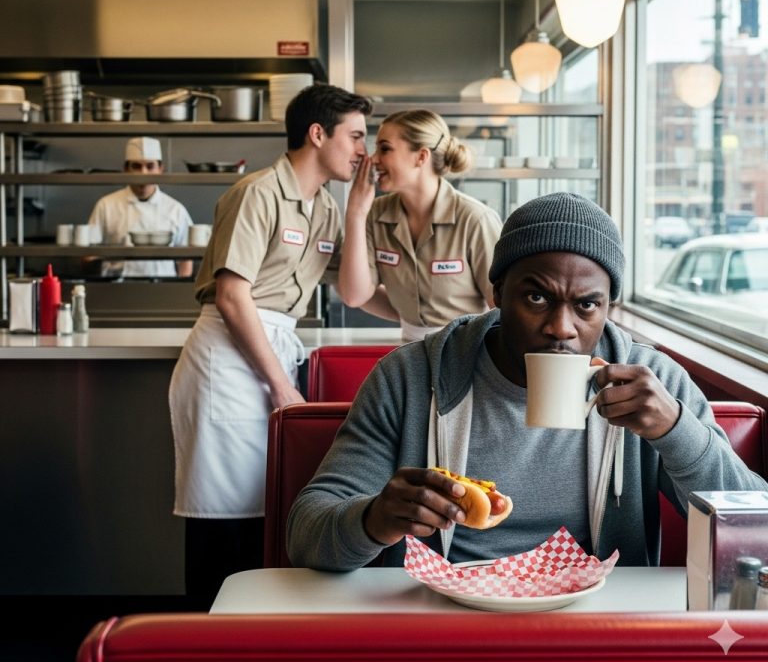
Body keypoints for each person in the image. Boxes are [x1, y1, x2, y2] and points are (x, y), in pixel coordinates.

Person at [287, 192, 768, 571]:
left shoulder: (653, 382)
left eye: (586, 305)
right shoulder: (411, 377)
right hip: (440, 616)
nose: (562, 327)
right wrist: (375, 519)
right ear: (497, 293)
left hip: (598, 620)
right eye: (536, 298)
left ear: (607, 308)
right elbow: (306, 536)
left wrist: (675, 432)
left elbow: (755, 532)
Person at [169, 83, 385, 604]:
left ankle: (251, 635)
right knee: (221, 516)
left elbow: (356, 289)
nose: (363, 151)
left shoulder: (327, 211)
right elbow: (231, 296)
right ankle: (202, 639)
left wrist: (426, 315)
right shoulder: (257, 193)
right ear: (317, 133)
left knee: (264, 506)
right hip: (228, 358)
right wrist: (281, 385)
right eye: (355, 136)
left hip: (272, 349)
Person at [338, 109, 502, 341]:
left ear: (421, 157)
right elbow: (355, 296)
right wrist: (355, 213)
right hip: (409, 355)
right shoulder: (375, 214)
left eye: (385, 149)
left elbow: (504, 310)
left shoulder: (475, 219)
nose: (373, 159)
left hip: (469, 353)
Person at [87, 136, 193, 278]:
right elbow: (88, 255)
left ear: (160, 169)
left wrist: (180, 288)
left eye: (150, 166)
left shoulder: (175, 209)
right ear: (126, 169)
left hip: (164, 288)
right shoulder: (106, 205)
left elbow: (186, 258)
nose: (143, 173)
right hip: (116, 289)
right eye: (136, 166)